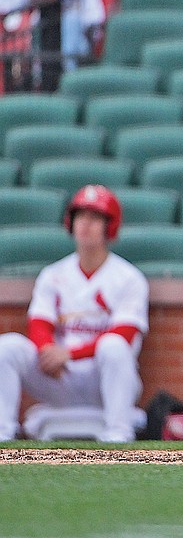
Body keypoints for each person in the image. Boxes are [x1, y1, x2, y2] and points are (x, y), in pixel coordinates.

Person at [0, 186, 149, 443]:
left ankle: (118, 433)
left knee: (113, 346)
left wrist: (69, 353)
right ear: (71, 223)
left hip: (103, 377)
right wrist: (48, 351)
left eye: (95, 218)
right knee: (8, 346)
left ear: (109, 226)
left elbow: (125, 333)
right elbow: (39, 322)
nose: (86, 225)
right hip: (59, 375)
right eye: (81, 217)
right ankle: (4, 433)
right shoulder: (53, 274)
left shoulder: (129, 277)